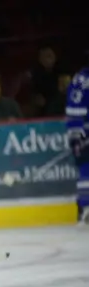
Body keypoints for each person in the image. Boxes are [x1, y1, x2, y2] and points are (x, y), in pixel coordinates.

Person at [65, 64, 89, 224]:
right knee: (86, 168)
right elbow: (74, 108)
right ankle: (86, 207)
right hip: (84, 134)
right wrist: (77, 134)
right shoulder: (82, 80)